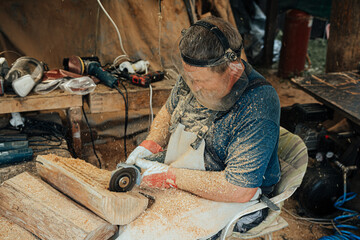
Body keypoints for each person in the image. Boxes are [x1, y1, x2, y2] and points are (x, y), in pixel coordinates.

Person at [125, 16, 281, 233]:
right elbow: (168, 112)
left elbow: (240, 189)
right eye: (190, 80)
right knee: (127, 210)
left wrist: (171, 177)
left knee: (151, 232)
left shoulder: (258, 104)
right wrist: (151, 143)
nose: (194, 87)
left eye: (202, 82)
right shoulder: (195, 74)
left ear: (232, 69)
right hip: (187, 174)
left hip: (235, 196)